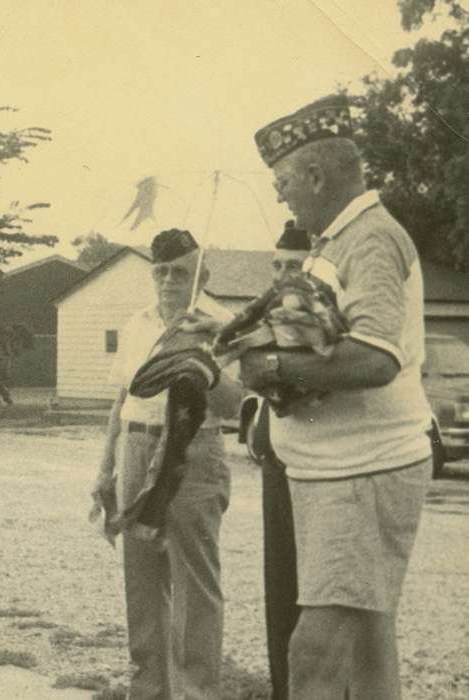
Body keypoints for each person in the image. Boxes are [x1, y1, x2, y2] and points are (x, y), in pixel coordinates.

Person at [245, 95, 433, 700]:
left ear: (316, 175)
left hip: (362, 470)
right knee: (369, 655)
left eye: (283, 182)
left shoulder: (371, 240)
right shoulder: (336, 241)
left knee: (316, 654)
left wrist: (272, 363)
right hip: (336, 472)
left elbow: (378, 357)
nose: (281, 196)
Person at [92, 228, 243, 700]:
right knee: (142, 581)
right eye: (160, 272)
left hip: (192, 452)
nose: (168, 281)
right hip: (137, 448)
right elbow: (123, 398)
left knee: (195, 585)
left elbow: (236, 401)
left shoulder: (221, 325)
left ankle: (197, 692)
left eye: (180, 272)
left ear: (203, 275)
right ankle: (149, 691)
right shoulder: (138, 323)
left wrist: (203, 368)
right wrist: (104, 468)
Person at [245, 221, 311, 700]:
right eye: (277, 265)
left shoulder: (322, 318)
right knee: (280, 588)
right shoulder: (263, 315)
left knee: (318, 595)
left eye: (293, 264)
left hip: (316, 466)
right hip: (275, 459)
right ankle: (282, 690)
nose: (284, 274)